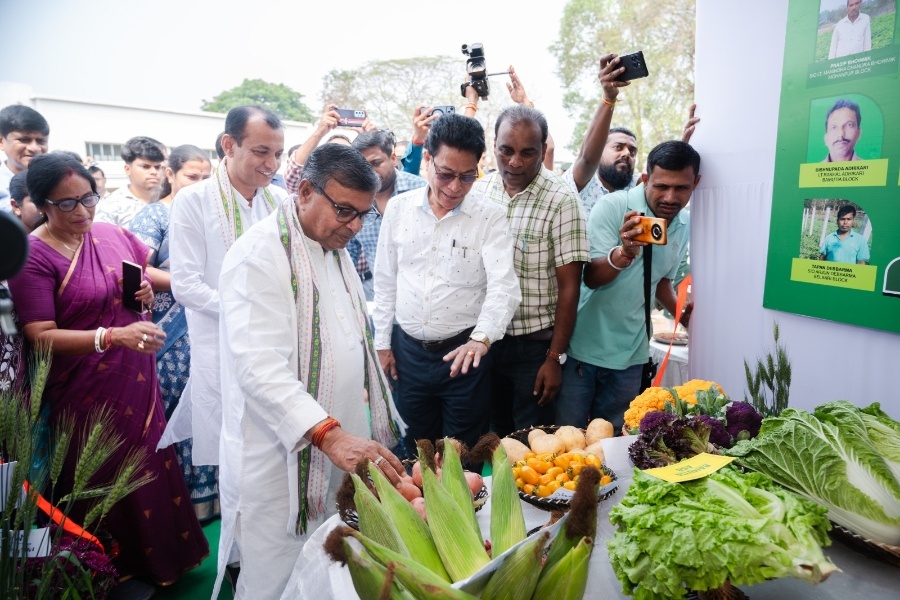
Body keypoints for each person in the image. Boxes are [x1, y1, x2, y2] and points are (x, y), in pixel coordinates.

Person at [7, 153, 207, 598]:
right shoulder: (34, 257)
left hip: (135, 375)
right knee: (102, 472)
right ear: (41, 204)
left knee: (150, 464)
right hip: (84, 389)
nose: (82, 212)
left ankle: (165, 560)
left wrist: (147, 288)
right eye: (66, 204)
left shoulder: (109, 233)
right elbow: (39, 336)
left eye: (88, 199)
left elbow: (141, 276)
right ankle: (113, 567)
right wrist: (112, 337)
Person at [214, 144, 404, 599]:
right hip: (280, 456)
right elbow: (259, 369)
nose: (355, 226)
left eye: (363, 214)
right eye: (344, 210)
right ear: (303, 191)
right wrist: (330, 436)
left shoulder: (332, 246)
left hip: (339, 436)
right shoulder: (257, 256)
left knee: (335, 567)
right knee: (280, 575)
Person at [373, 113, 520, 455]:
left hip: (463, 358)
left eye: (468, 177)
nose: (455, 187)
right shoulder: (398, 209)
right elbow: (385, 280)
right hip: (406, 354)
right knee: (414, 452)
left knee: (461, 456)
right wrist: (382, 344)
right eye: (446, 174)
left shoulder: (490, 216)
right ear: (426, 158)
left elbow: (504, 287)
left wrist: (481, 339)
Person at [166, 105, 288, 471]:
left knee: (273, 451)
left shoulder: (280, 202)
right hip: (220, 346)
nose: (272, 164)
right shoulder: (194, 200)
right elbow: (185, 286)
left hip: (274, 343)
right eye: (261, 152)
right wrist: (247, 309)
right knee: (231, 453)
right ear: (229, 145)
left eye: (279, 154)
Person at [555, 141, 700, 431]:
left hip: (632, 356)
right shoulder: (614, 207)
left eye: (681, 188)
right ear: (645, 179)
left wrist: (684, 316)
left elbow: (661, 283)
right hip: (584, 350)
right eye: (661, 186)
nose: (670, 197)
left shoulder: (684, 224)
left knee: (614, 444)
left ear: (695, 184)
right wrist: (624, 253)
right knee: (568, 440)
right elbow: (591, 277)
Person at [472, 105, 589, 436]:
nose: (514, 162)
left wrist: (554, 359)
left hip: (535, 350)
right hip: (487, 341)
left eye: (528, 152)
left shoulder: (562, 199)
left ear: (543, 150)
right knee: (491, 437)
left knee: (532, 440)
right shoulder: (480, 191)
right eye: (506, 150)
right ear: (493, 145)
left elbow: (570, 287)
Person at [128, 145, 219, 522]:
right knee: (177, 415)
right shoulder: (156, 214)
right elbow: (133, 268)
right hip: (170, 337)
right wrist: (187, 284)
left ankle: (212, 500)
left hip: (210, 326)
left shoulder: (213, 214)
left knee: (209, 409)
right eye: (190, 177)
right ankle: (180, 507)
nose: (198, 184)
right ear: (171, 174)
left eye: (204, 178)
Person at [347, 130, 427, 300]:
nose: (370, 172)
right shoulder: (354, 203)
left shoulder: (422, 191)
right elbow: (348, 256)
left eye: (376, 163)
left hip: (424, 303)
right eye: (363, 166)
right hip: (381, 303)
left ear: (392, 158)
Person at [562, 55, 639, 215]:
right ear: (600, 150)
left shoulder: (635, 187)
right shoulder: (583, 182)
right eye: (618, 147)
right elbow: (587, 160)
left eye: (632, 151)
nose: (626, 154)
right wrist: (609, 98)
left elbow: (665, 179)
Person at [94, 136, 167, 227]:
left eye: (157, 167)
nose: (154, 172)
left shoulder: (169, 197)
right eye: (145, 166)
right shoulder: (112, 206)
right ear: (128, 169)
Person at [0, 105, 49, 213]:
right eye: (24, 140)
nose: (34, 148)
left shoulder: (55, 182)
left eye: (41, 141)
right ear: (1, 142)